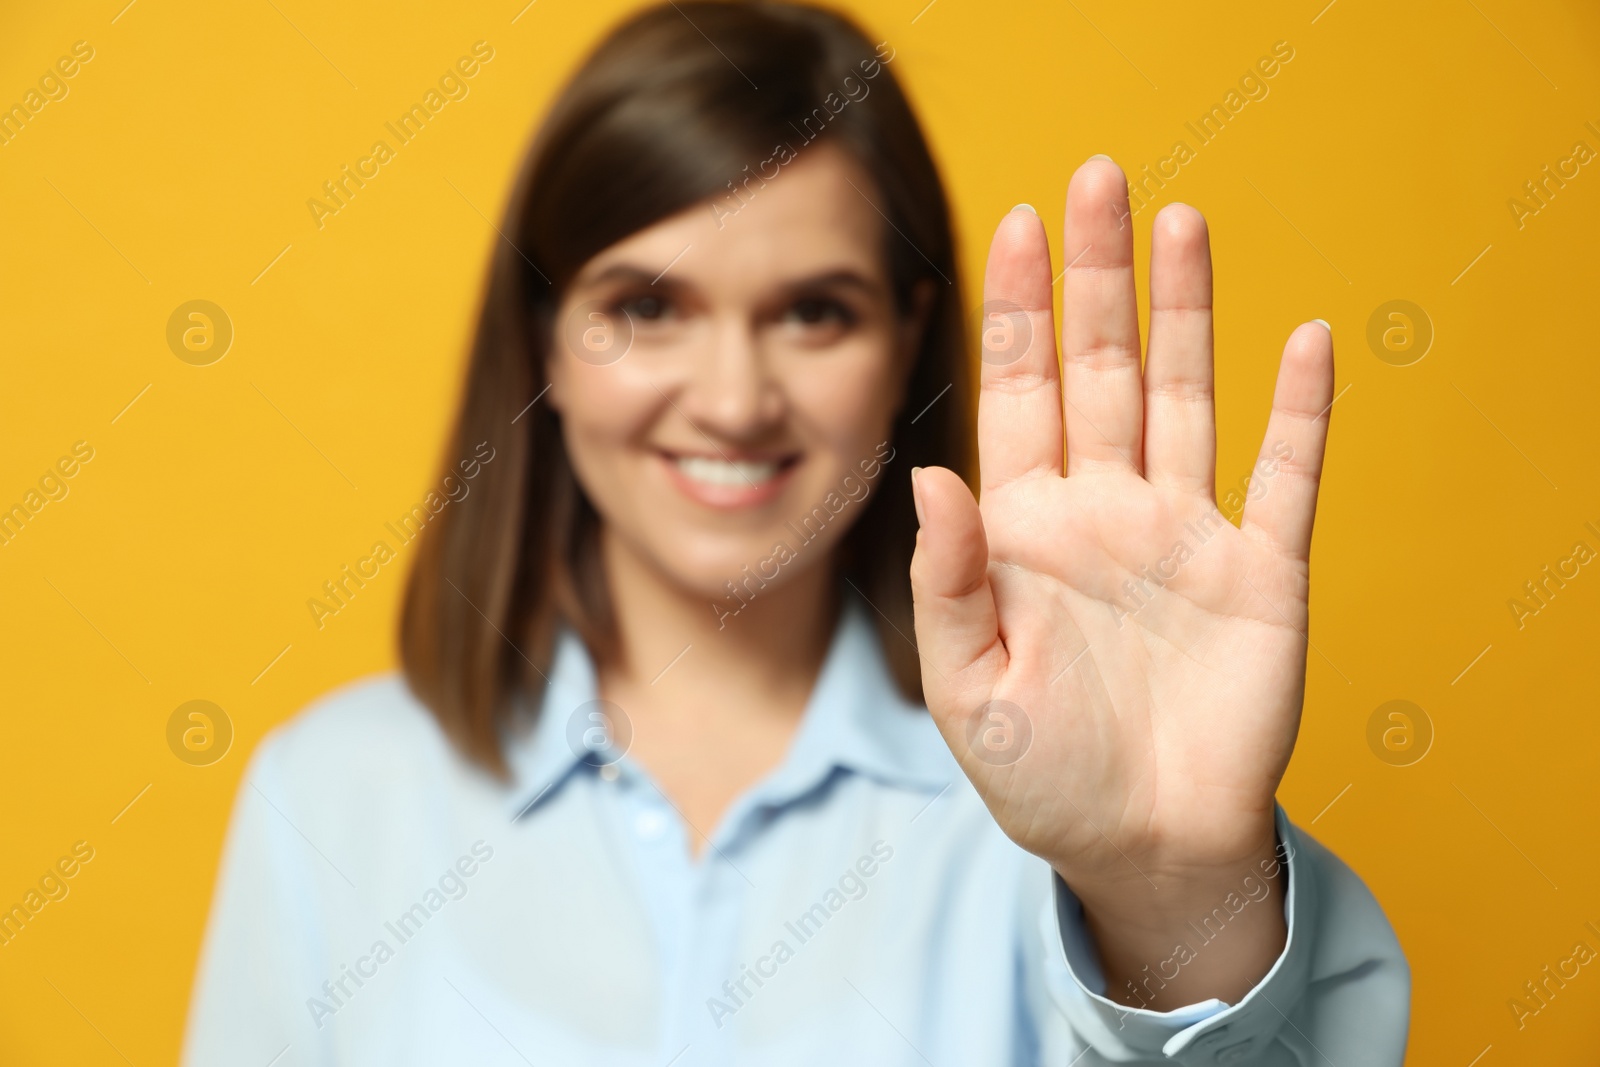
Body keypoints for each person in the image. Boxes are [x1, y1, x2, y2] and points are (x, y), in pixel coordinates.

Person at [183, 3, 1409, 1064]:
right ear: (545, 336)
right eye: (646, 307)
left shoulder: (1054, 791)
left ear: (902, 344)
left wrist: (1166, 885)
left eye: (814, 312)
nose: (731, 399)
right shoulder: (329, 799)